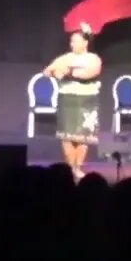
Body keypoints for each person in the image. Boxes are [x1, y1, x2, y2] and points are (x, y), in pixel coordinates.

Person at [42, 24, 102, 180]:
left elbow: (89, 73)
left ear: (85, 43)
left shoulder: (93, 58)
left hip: (86, 100)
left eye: (75, 41)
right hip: (67, 99)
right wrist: (57, 71)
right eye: (71, 41)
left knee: (83, 136)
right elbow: (48, 71)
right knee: (67, 136)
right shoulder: (65, 57)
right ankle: (70, 167)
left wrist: (67, 71)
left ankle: (78, 166)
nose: (72, 44)